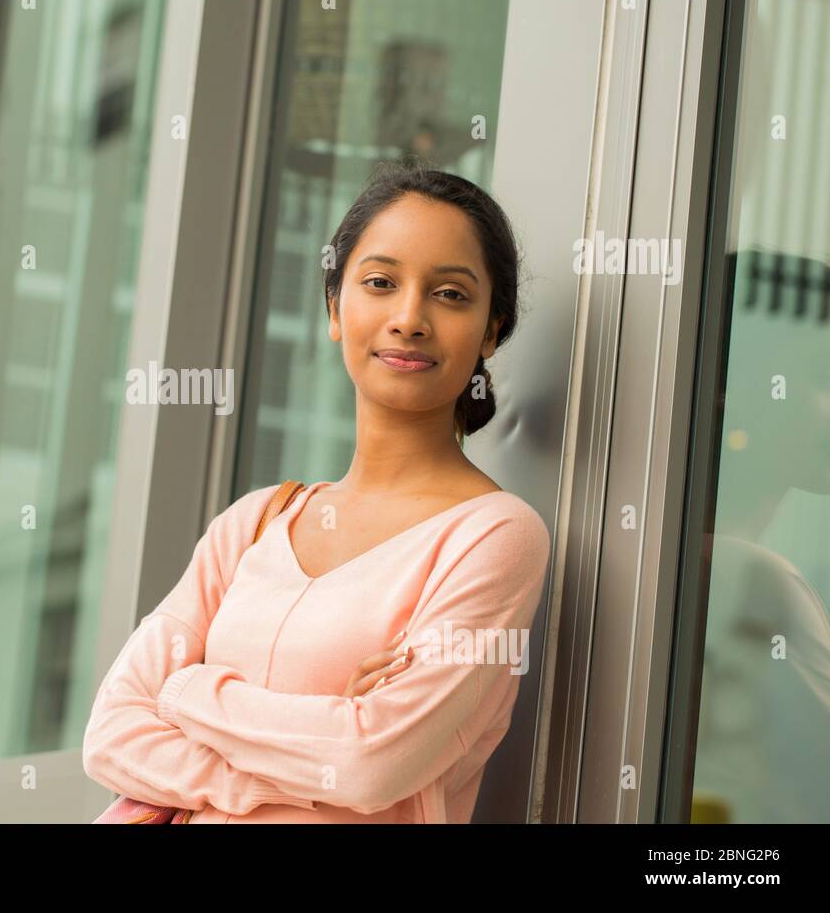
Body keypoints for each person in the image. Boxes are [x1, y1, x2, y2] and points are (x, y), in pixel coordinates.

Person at [82, 158, 552, 823]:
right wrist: (313, 742)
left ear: (491, 332)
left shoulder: (495, 535)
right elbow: (111, 733)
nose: (410, 317)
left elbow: (369, 764)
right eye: (381, 283)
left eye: (450, 294)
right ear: (335, 308)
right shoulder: (253, 524)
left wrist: (187, 694)